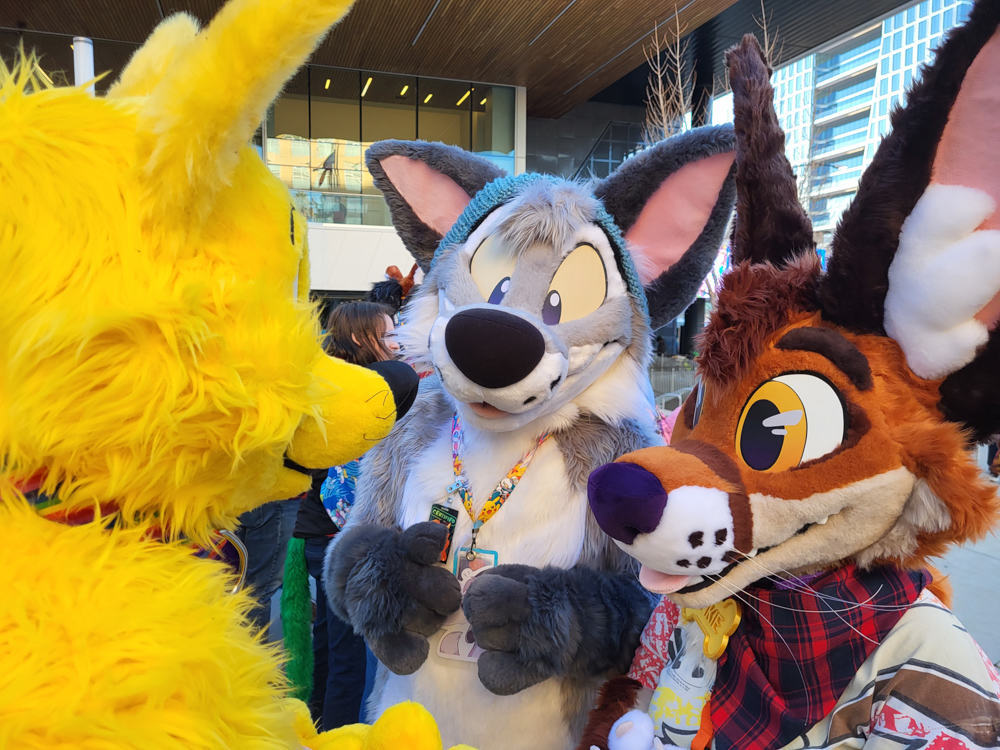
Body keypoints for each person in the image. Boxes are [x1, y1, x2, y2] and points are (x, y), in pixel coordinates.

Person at [292, 301, 399, 730]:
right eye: (389, 334)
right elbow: (345, 484)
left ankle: (317, 723)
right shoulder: (362, 392)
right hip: (340, 540)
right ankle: (340, 733)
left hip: (319, 536)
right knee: (350, 657)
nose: (397, 342)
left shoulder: (326, 381)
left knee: (329, 645)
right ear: (360, 337)